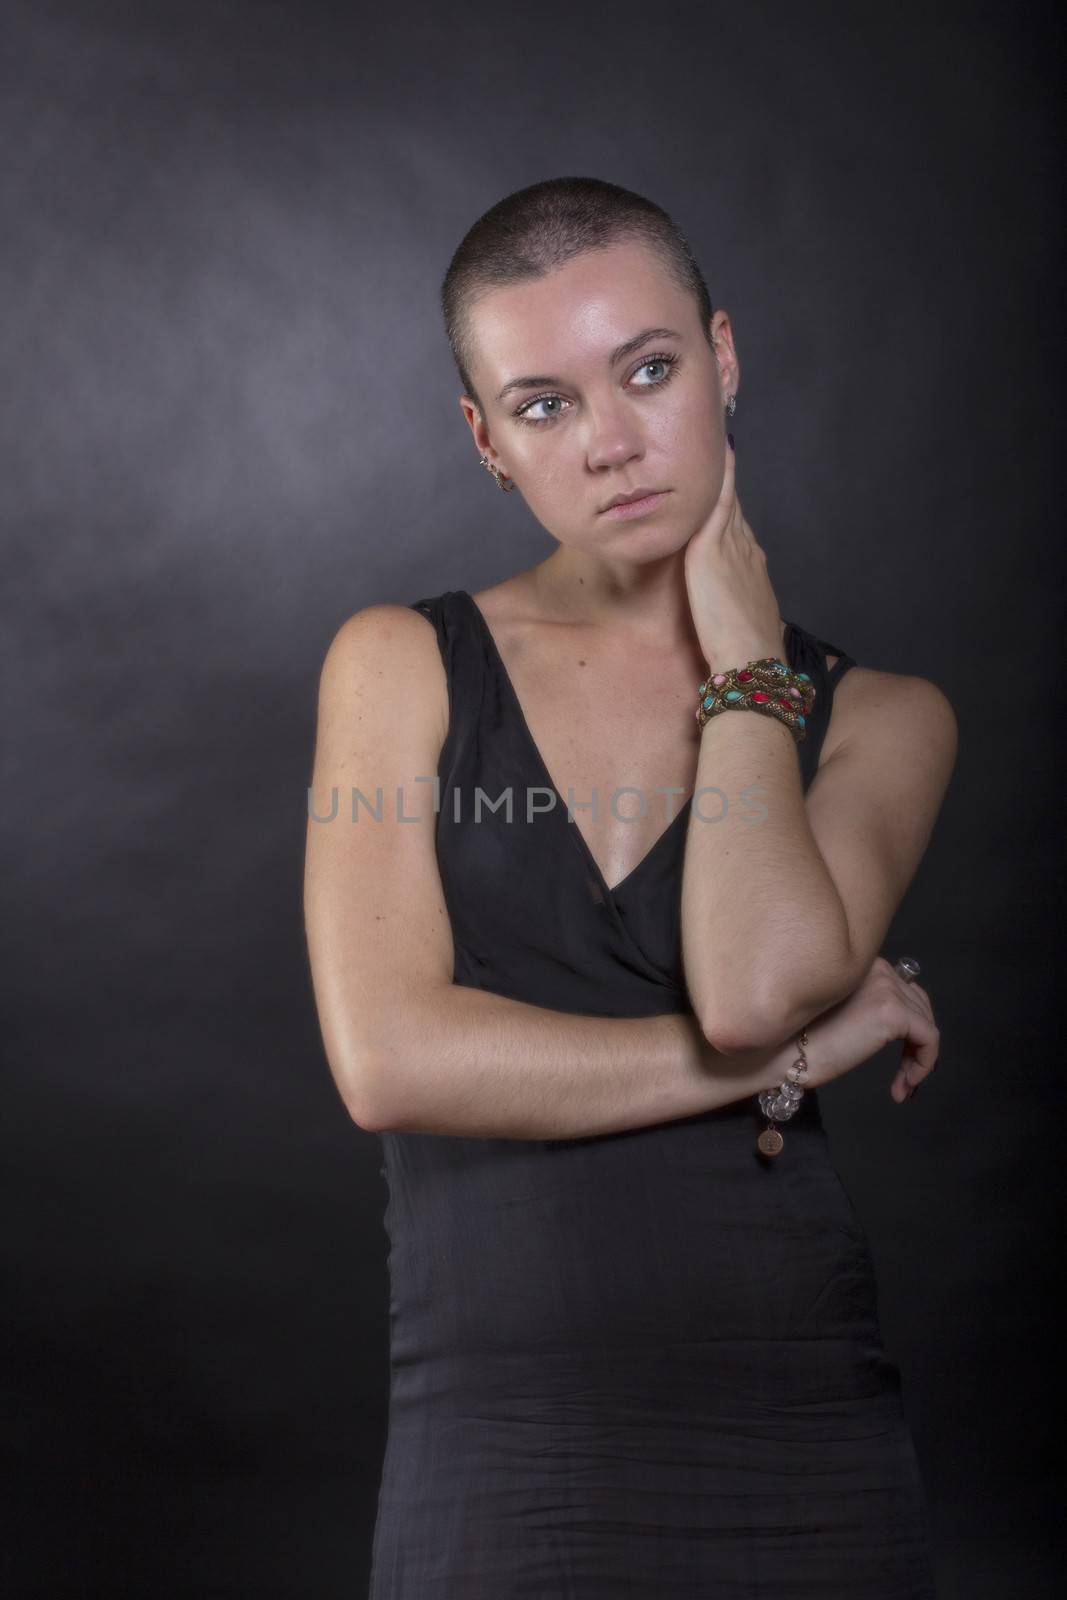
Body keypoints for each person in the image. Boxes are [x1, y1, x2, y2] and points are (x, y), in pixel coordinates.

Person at [303, 176, 957, 1597]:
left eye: (648, 371)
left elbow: (752, 985)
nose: (610, 443)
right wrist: (785, 1065)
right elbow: (392, 1062)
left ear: (722, 357)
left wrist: (745, 671)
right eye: (543, 405)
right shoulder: (400, 667)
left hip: (805, 1440)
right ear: (485, 441)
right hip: (496, 1437)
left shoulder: (885, 716)